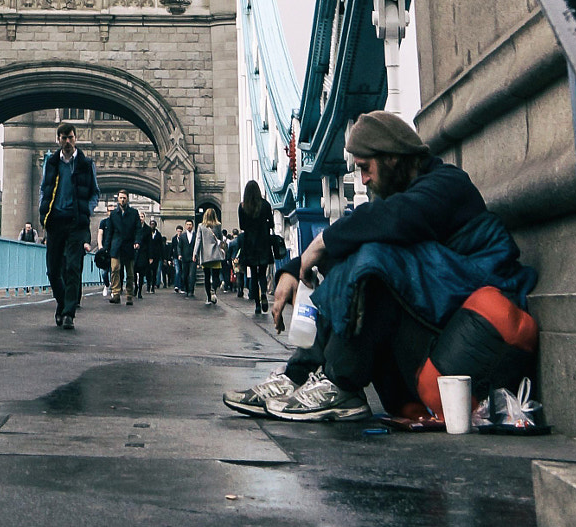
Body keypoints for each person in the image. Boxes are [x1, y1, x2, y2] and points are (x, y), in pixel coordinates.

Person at [226, 112, 538, 424]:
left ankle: (341, 384)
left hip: (462, 323)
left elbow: (395, 218)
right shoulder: (403, 196)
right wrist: (296, 269)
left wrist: (321, 243)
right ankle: (299, 374)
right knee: (358, 252)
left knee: (373, 260)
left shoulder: (448, 185)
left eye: (365, 167)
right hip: (424, 341)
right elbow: (365, 225)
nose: (363, 180)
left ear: (392, 157)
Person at [37, 121, 99, 330]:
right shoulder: (51, 162)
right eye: (64, 138)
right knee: (53, 271)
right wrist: (43, 211)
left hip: (75, 222)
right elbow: (44, 189)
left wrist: (87, 210)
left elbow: (95, 192)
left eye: (71, 137)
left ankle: (69, 314)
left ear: (76, 138)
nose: (67, 141)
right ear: (58, 140)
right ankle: (63, 304)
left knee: (73, 268)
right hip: (55, 221)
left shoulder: (86, 163)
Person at [237, 180, 274, 315]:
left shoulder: (242, 207)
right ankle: (263, 292)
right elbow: (271, 223)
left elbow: (242, 226)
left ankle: (257, 304)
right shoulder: (265, 205)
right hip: (263, 241)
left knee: (253, 274)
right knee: (262, 273)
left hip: (249, 243)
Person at [103, 188, 141, 306]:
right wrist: (106, 248)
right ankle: (116, 293)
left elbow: (138, 229)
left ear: (127, 199)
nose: (123, 200)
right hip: (116, 245)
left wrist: (137, 241)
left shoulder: (134, 213)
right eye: (121, 198)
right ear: (118, 199)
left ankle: (129, 295)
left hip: (129, 245)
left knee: (130, 272)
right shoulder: (114, 214)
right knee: (115, 269)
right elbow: (109, 232)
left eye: (124, 198)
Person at [193, 205, 225, 305]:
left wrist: (195, 253)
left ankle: (208, 298)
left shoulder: (201, 226)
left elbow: (198, 240)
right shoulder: (218, 225)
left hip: (206, 255)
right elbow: (220, 237)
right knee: (216, 275)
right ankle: (213, 290)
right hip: (216, 253)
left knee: (207, 276)